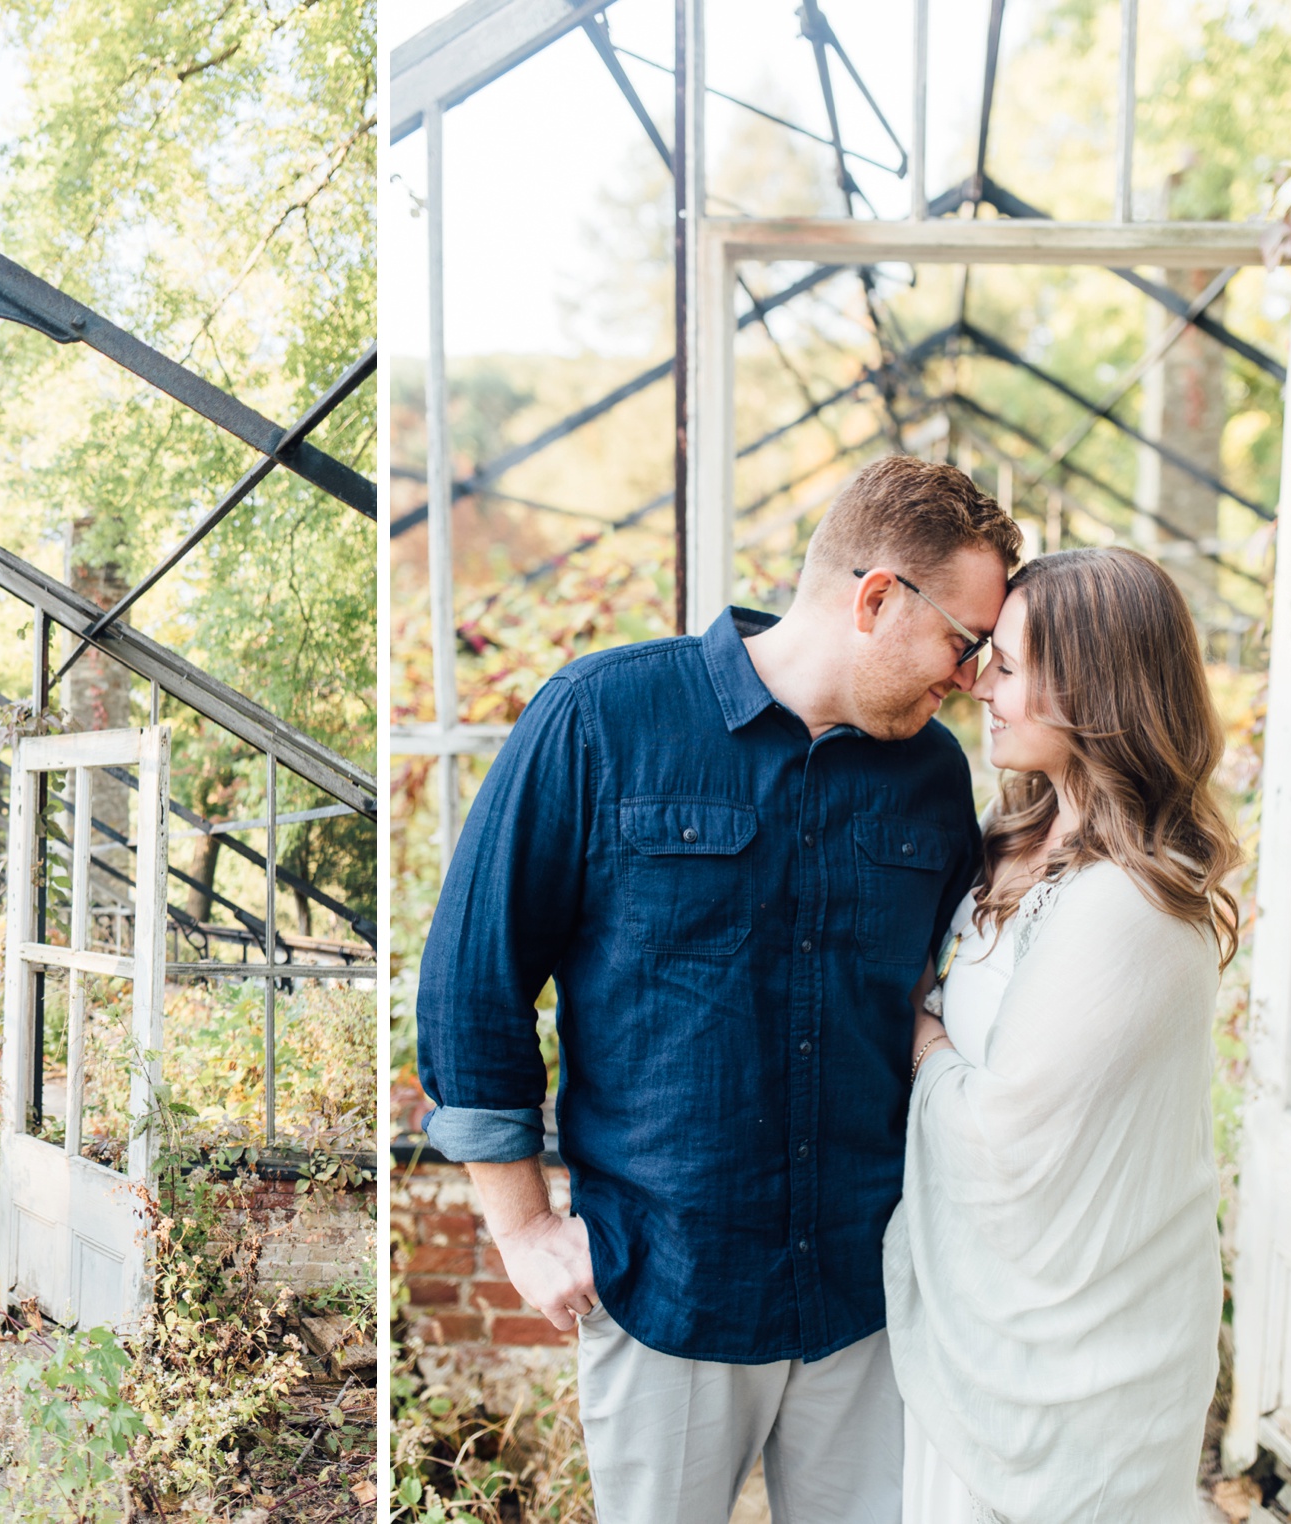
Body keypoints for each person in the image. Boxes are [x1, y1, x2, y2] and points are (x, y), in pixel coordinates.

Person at [417, 456, 1022, 1523]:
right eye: (961, 643)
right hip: (667, 1286)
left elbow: (942, 994)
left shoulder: (931, 778)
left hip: (863, 1293)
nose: (970, 677)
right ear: (875, 597)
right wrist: (518, 1229)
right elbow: (475, 977)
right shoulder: (601, 720)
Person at [885, 548, 1239, 1524]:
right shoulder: (1008, 841)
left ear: (1088, 687)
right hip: (993, 1327)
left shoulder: (1129, 901)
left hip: (1087, 1353)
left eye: (1002, 663)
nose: (975, 684)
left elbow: (1003, 1136)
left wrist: (917, 1039)